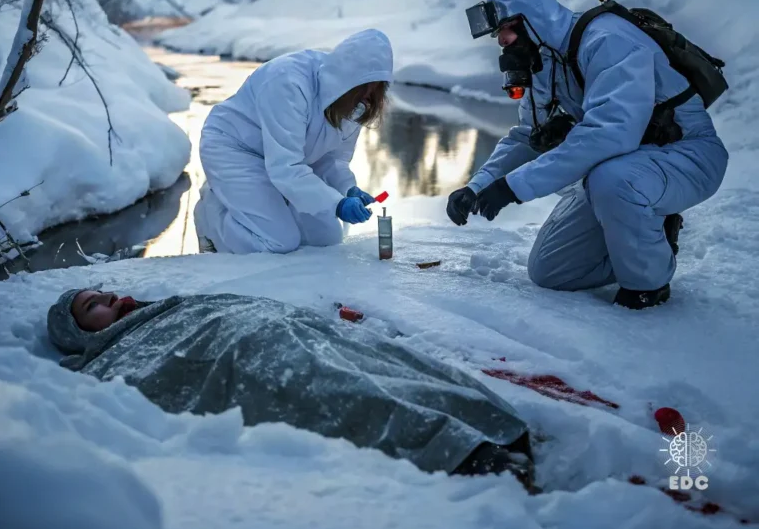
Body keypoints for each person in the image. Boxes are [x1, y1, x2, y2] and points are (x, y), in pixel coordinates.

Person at [46, 288, 535, 487]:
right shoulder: (118, 352)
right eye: (95, 307)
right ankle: (461, 450)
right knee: (322, 385)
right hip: (243, 347)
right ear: (87, 334)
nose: (109, 298)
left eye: (102, 291)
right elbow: (138, 380)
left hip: (271, 323)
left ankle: (485, 415)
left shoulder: (170, 303)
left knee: (375, 359)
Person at [447, 0, 728, 309]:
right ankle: (641, 236)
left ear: (529, 18)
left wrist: (513, 187)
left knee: (611, 180)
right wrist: (477, 185)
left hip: (686, 156)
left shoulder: (607, 40)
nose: (501, 40)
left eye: (504, 29)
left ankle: (648, 283)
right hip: (627, 169)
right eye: (497, 34)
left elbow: (608, 135)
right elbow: (525, 136)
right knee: (549, 270)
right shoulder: (545, 62)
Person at [194, 29, 392, 255]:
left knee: (326, 240)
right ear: (346, 79)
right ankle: (212, 213)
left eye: (374, 91)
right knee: (277, 242)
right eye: (363, 89)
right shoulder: (288, 82)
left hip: (284, 161)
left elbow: (332, 158)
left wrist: (346, 189)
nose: (368, 98)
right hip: (235, 150)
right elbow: (285, 167)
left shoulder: (355, 103)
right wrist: (335, 204)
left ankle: (254, 206)